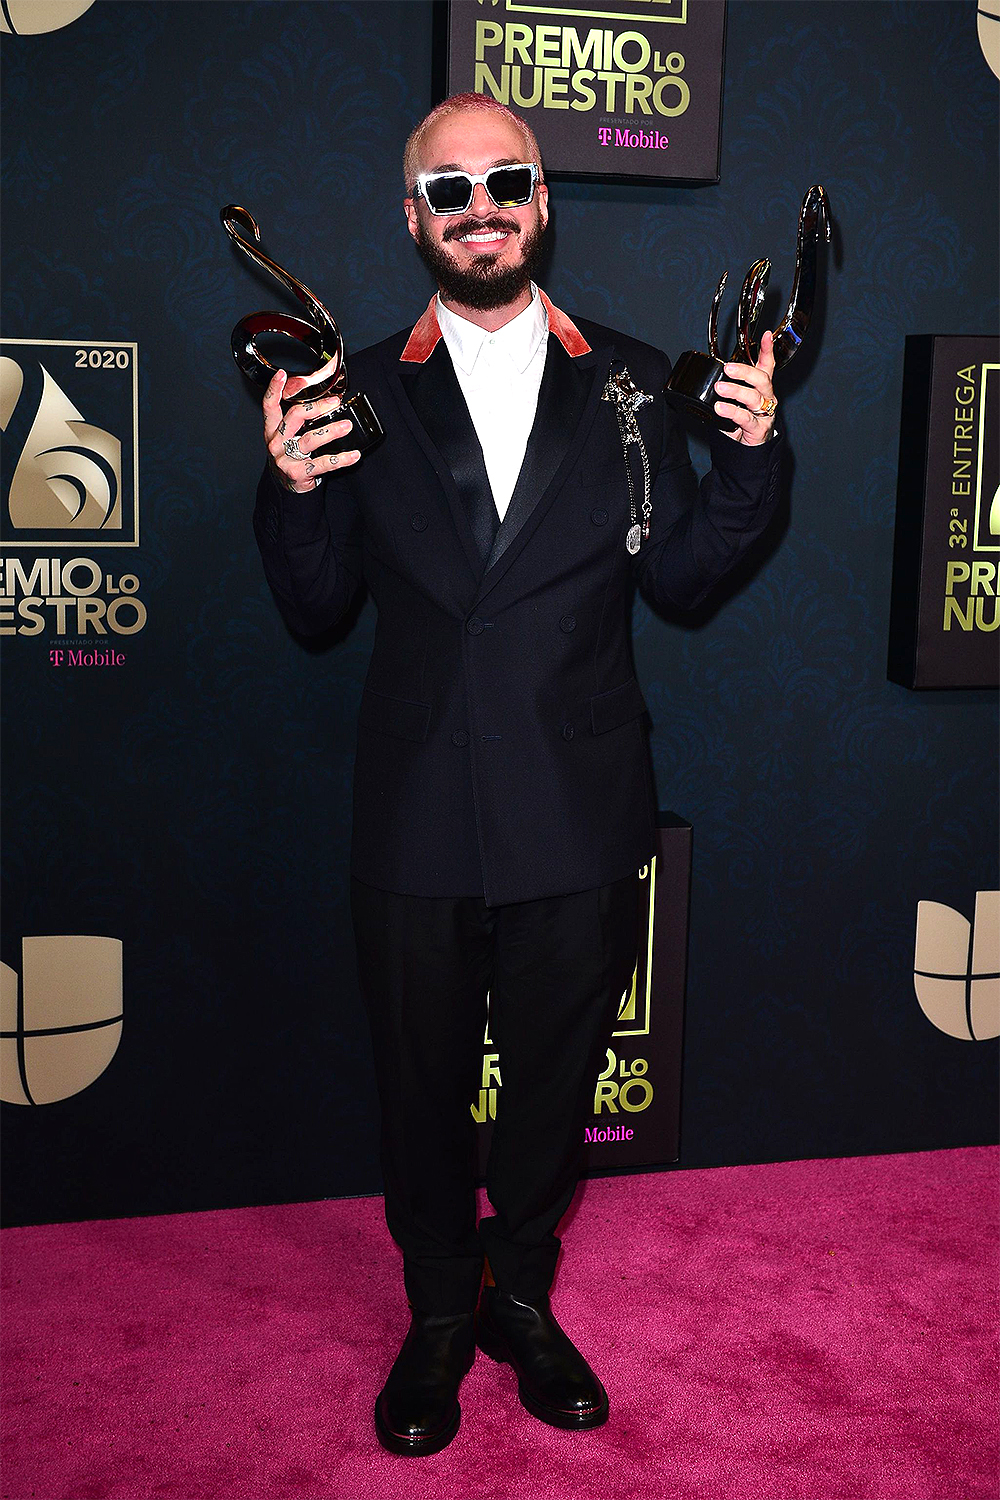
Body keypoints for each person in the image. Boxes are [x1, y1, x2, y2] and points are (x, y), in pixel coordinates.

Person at [252, 93, 782, 1456]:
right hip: (417, 813)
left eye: (508, 180)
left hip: (579, 811)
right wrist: (295, 489)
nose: (481, 206)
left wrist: (751, 460)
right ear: (413, 215)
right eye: (450, 188)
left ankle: (524, 1302)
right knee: (419, 1090)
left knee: (552, 1089)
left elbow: (679, 581)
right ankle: (439, 1316)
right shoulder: (348, 389)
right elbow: (315, 612)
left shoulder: (632, 373)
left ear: (545, 199)